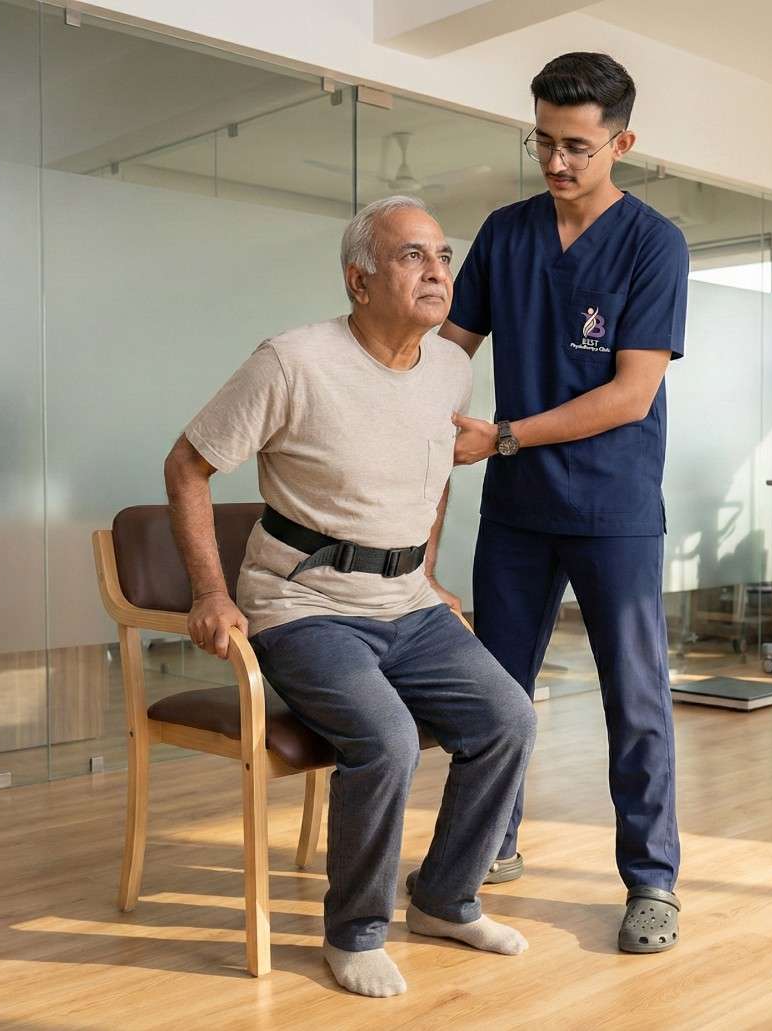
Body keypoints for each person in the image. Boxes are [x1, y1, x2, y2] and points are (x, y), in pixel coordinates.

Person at [163, 196, 536, 998]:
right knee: (388, 738)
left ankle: (442, 898)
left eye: (442, 255)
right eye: (413, 256)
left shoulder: (451, 366)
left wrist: (427, 567)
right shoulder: (292, 360)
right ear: (358, 279)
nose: (437, 270)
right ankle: (355, 930)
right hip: (304, 608)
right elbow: (187, 464)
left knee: (508, 718)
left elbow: (432, 476)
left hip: (407, 603)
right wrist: (210, 590)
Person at [435, 52, 689, 954]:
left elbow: (630, 395)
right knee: (493, 694)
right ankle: (487, 844)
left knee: (636, 696)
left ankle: (651, 879)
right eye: (542, 140)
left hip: (614, 507)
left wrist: (500, 435)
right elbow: (447, 352)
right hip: (516, 511)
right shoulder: (505, 234)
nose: (555, 161)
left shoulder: (655, 244)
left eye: (576, 146)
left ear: (621, 142)